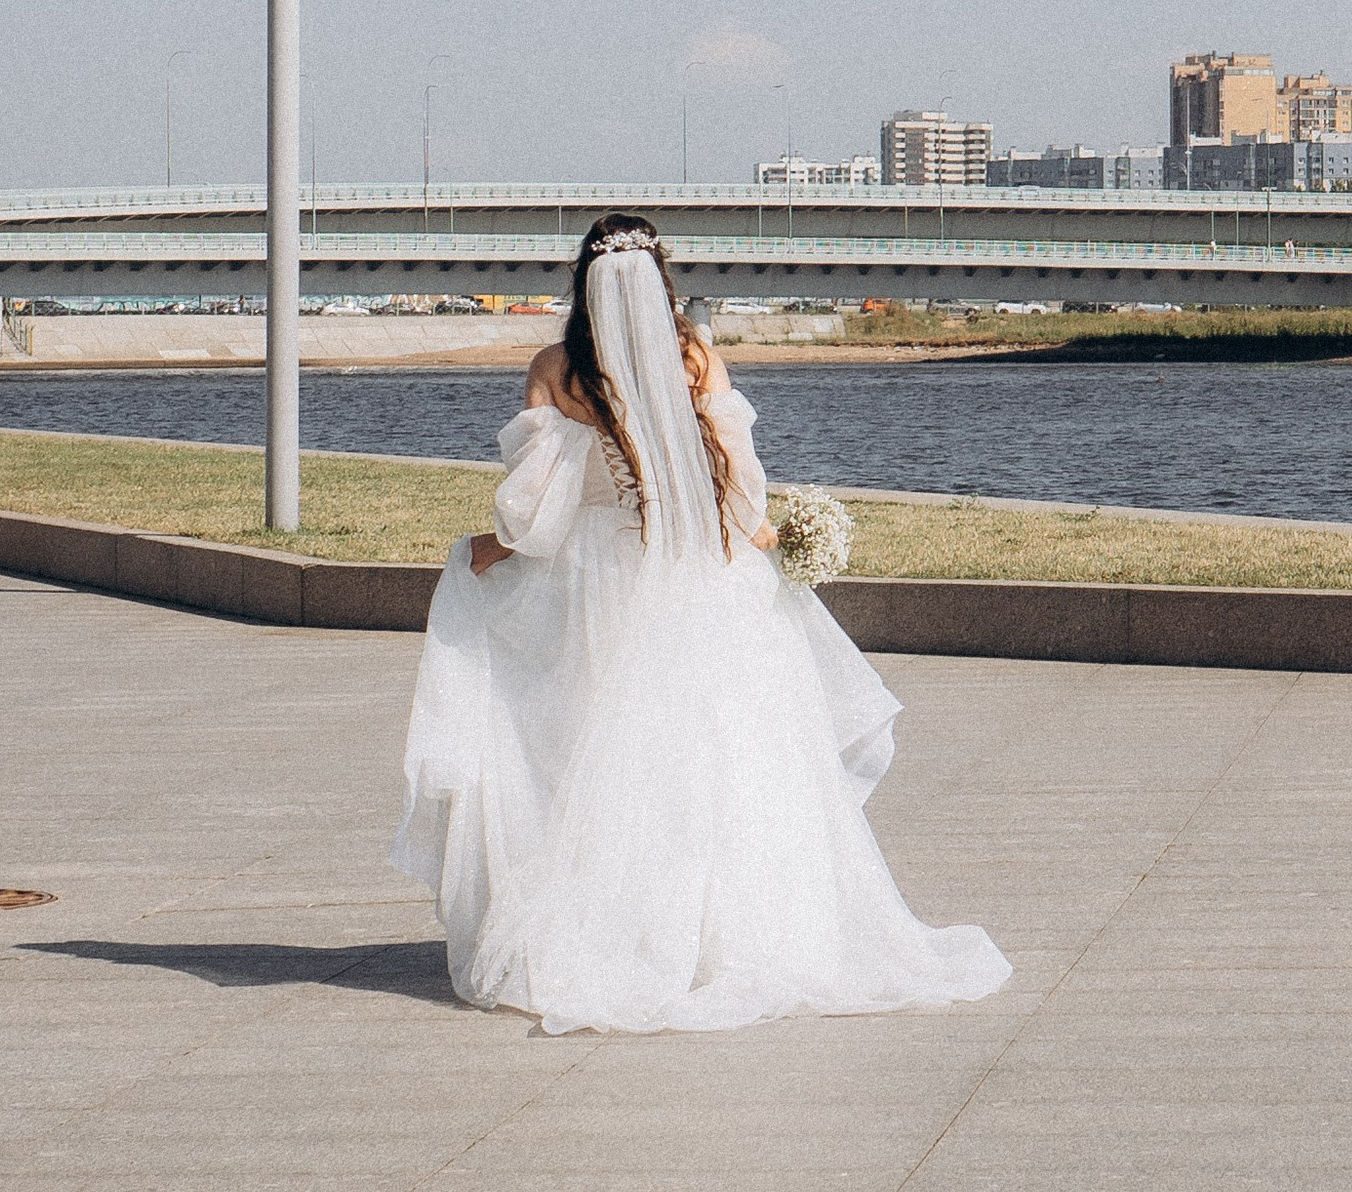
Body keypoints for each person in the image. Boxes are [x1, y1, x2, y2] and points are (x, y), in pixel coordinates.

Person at [393, 214, 1009, 1033]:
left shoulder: (554, 369)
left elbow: (536, 518)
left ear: (581, 280)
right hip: (702, 578)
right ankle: (731, 933)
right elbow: (739, 496)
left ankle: (625, 926)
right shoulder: (695, 356)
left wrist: (489, 550)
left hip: (600, 582)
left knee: (598, 750)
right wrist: (767, 538)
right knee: (719, 753)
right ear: (662, 279)